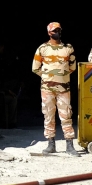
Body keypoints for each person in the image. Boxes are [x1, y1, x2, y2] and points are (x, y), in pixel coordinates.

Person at [31, 22, 81, 155]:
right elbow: (35, 68)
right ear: (49, 33)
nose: (57, 32)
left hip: (63, 89)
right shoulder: (42, 48)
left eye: (58, 30)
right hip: (47, 89)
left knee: (66, 115)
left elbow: (72, 67)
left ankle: (69, 145)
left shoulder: (68, 48)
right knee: (48, 115)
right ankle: (51, 144)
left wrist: (61, 76)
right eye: (54, 31)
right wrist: (47, 76)